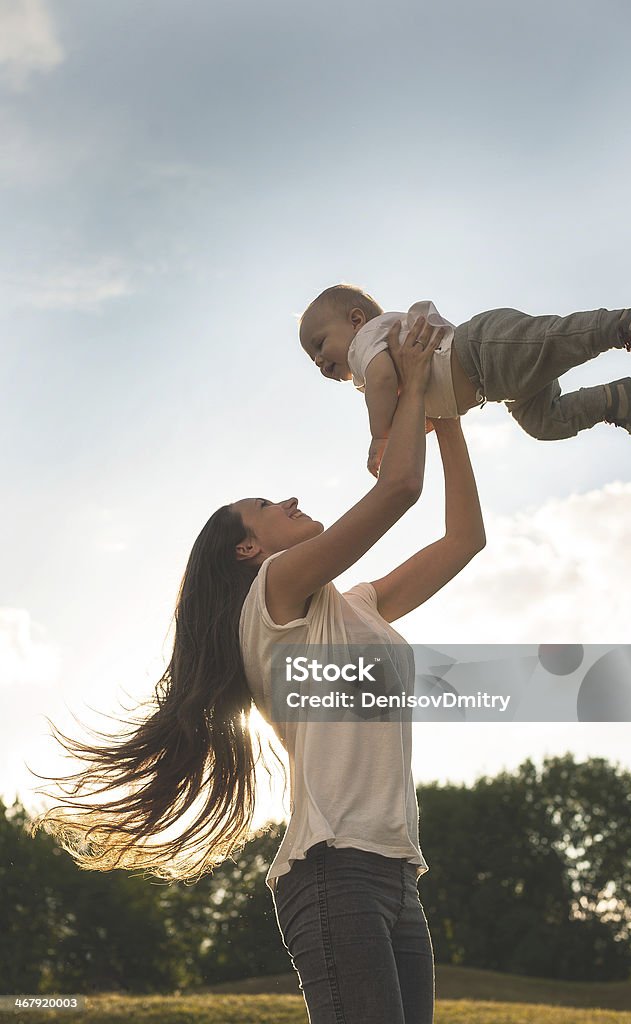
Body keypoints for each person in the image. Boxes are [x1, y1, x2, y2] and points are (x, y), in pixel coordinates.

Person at [28, 315, 485, 1024]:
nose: (291, 501)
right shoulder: (273, 598)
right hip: (334, 874)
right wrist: (417, 381)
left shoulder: (355, 605)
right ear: (246, 551)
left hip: (396, 875)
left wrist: (445, 415)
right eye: (268, 506)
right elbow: (398, 490)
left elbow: (464, 539)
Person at [298, 283, 631, 476]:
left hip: (480, 351)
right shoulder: (379, 350)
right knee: (544, 422)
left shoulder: (364, 347)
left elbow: (379, 382)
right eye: (311, 357)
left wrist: (381, 436)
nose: (318, 360)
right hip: (494, 384)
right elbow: (414, 396)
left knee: (552, 341)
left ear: (356, 320)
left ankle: (624, 324)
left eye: (318, 344)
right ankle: (615, 400)